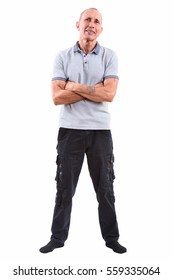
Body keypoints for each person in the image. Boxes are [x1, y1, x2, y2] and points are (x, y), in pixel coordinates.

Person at [40, 7, 127, 254]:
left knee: (106, 188)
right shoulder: (62, 56)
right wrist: (92, 90)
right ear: (77, 24)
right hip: (70, 131)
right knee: (64, 188)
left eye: (96, 21)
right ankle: (57, 238)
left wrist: (74, 86)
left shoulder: (109, 56)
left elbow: (109, 94)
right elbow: (57, 97)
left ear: (101, 28)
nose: (91, 24)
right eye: (87, 19)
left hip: (101, 132)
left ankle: (111, 238)